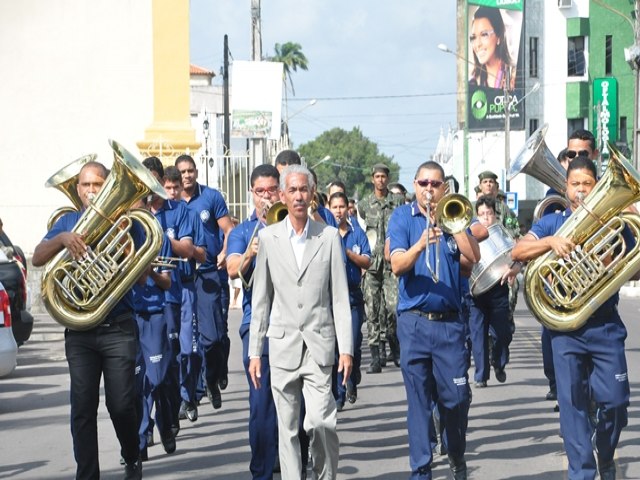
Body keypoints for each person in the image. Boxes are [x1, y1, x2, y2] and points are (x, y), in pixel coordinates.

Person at [512, 155, 635, 480]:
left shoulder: (613, 222)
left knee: (617, 402)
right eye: (574, 184)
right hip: (564, 330)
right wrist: (550, 243)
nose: (580, 190)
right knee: (572, 408)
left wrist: (611, 255)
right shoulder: (552, 222)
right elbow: (517, 252)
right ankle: (581, 472)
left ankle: (605, 453)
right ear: (564, 188)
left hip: (605, 326)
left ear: (596, 187)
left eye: (587, 184)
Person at [32, 161, 143, 479]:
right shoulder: (66, 221)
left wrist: (123, 241)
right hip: (80, 330)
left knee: (121, 405)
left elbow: (145, 265)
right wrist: (63, 239)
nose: (91, 191)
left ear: (108, 186)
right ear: (77, 189)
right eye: (85, 185)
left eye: (97, 185)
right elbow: (39, 256)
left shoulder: (125, 220)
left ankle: (131, 453)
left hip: (118, 327)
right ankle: (87, 475)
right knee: (82, 409)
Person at [248, 164, 353, 480]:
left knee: (321, 423)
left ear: (311, 195)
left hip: (319, 347)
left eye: (303, 190)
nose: (297, 196)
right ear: (282, 194)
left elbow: (339, 298)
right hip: (282, 347)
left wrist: (346, 349)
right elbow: (262, 299)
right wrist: (255, 351)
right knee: (288, 429)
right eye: (291, 190)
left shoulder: (329, 237)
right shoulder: (268, 238)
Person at [388, 160, 480, 480]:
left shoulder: (455, 214)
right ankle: (421, 470)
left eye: (435, 184)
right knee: (418, 403)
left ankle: (454, 449)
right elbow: (397, 264)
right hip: (414, 321)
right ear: (415, 185)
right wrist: (420, 243)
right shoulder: (402, 217)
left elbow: (473, 258)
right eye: (424, 184)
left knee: (456, 397)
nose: (429, 190)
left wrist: (454, 226)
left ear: (445, 189)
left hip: (450, 324)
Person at [227, 164, 281, 479]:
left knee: (294, 403)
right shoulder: (243, 231)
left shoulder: (292, 223)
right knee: (261, 403)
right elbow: (233, 269)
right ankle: (261, 470)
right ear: (252, 192)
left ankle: (293, 466)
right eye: (259, 191)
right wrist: (252, 251)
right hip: (258, 327)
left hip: (294, 325)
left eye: (271, 190)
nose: (265, 197)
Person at [175, 154, 234, 411]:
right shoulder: (172, 203)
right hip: (182, 276)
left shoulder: (211, 197)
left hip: (210, 272)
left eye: (190, 171)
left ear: (196, 172)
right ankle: (193, 392)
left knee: (217, 337)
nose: (187, 176)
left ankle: (214, 377)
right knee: (191, 339)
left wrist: (224, 251)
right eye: (182, 172)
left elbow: (229, 229)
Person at [161, 165, 207, 423]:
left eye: (174, 188)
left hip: (186, 285)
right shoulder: (157, 215)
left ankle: (190, 395)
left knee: (189, 348)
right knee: (170, 348)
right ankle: (178, 397)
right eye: (167, 188)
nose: (171, 192)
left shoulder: (187, 213)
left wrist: (173, 245)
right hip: (165, 290)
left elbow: (197, 251)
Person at [468, 195, 519, 388]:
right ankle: (481, 375)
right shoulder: (470, 235)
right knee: (477, 334)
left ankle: (498, 362)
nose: (485, 217)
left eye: (489, 213)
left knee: (502, 333)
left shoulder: (502, 232)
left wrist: (514, 268)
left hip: (498, 288)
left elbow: (516, 253)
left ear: (495, 216)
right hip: (477, 293)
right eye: (481, 214)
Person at [358, 163, 404, 373]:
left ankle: (395, 347)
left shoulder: (398, 202)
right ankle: (376, 358)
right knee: (373, 311)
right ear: (372, 179)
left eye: (383, 176)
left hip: (392, 263)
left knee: (393, 309)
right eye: (377, 176)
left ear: (387, 178)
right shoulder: (365, 204)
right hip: (371, 265)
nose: (380, 180)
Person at [328, 191, 371, 411]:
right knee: (336, 348)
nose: (338, 211)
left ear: (348, 209)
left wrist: (345, 251)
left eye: (341, 207)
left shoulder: (357, 233)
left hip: (353, 297)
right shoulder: (324, 232)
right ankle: (340, 392)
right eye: (334, 207)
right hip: (331, 299)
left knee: (352, 343)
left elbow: (367, 260)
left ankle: (352, 374)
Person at [468, 6, 515, 90]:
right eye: (474, 37)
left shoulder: (514, 75)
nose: (477, 44)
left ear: (499, 37)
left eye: (484, 35)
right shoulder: (472, 83)